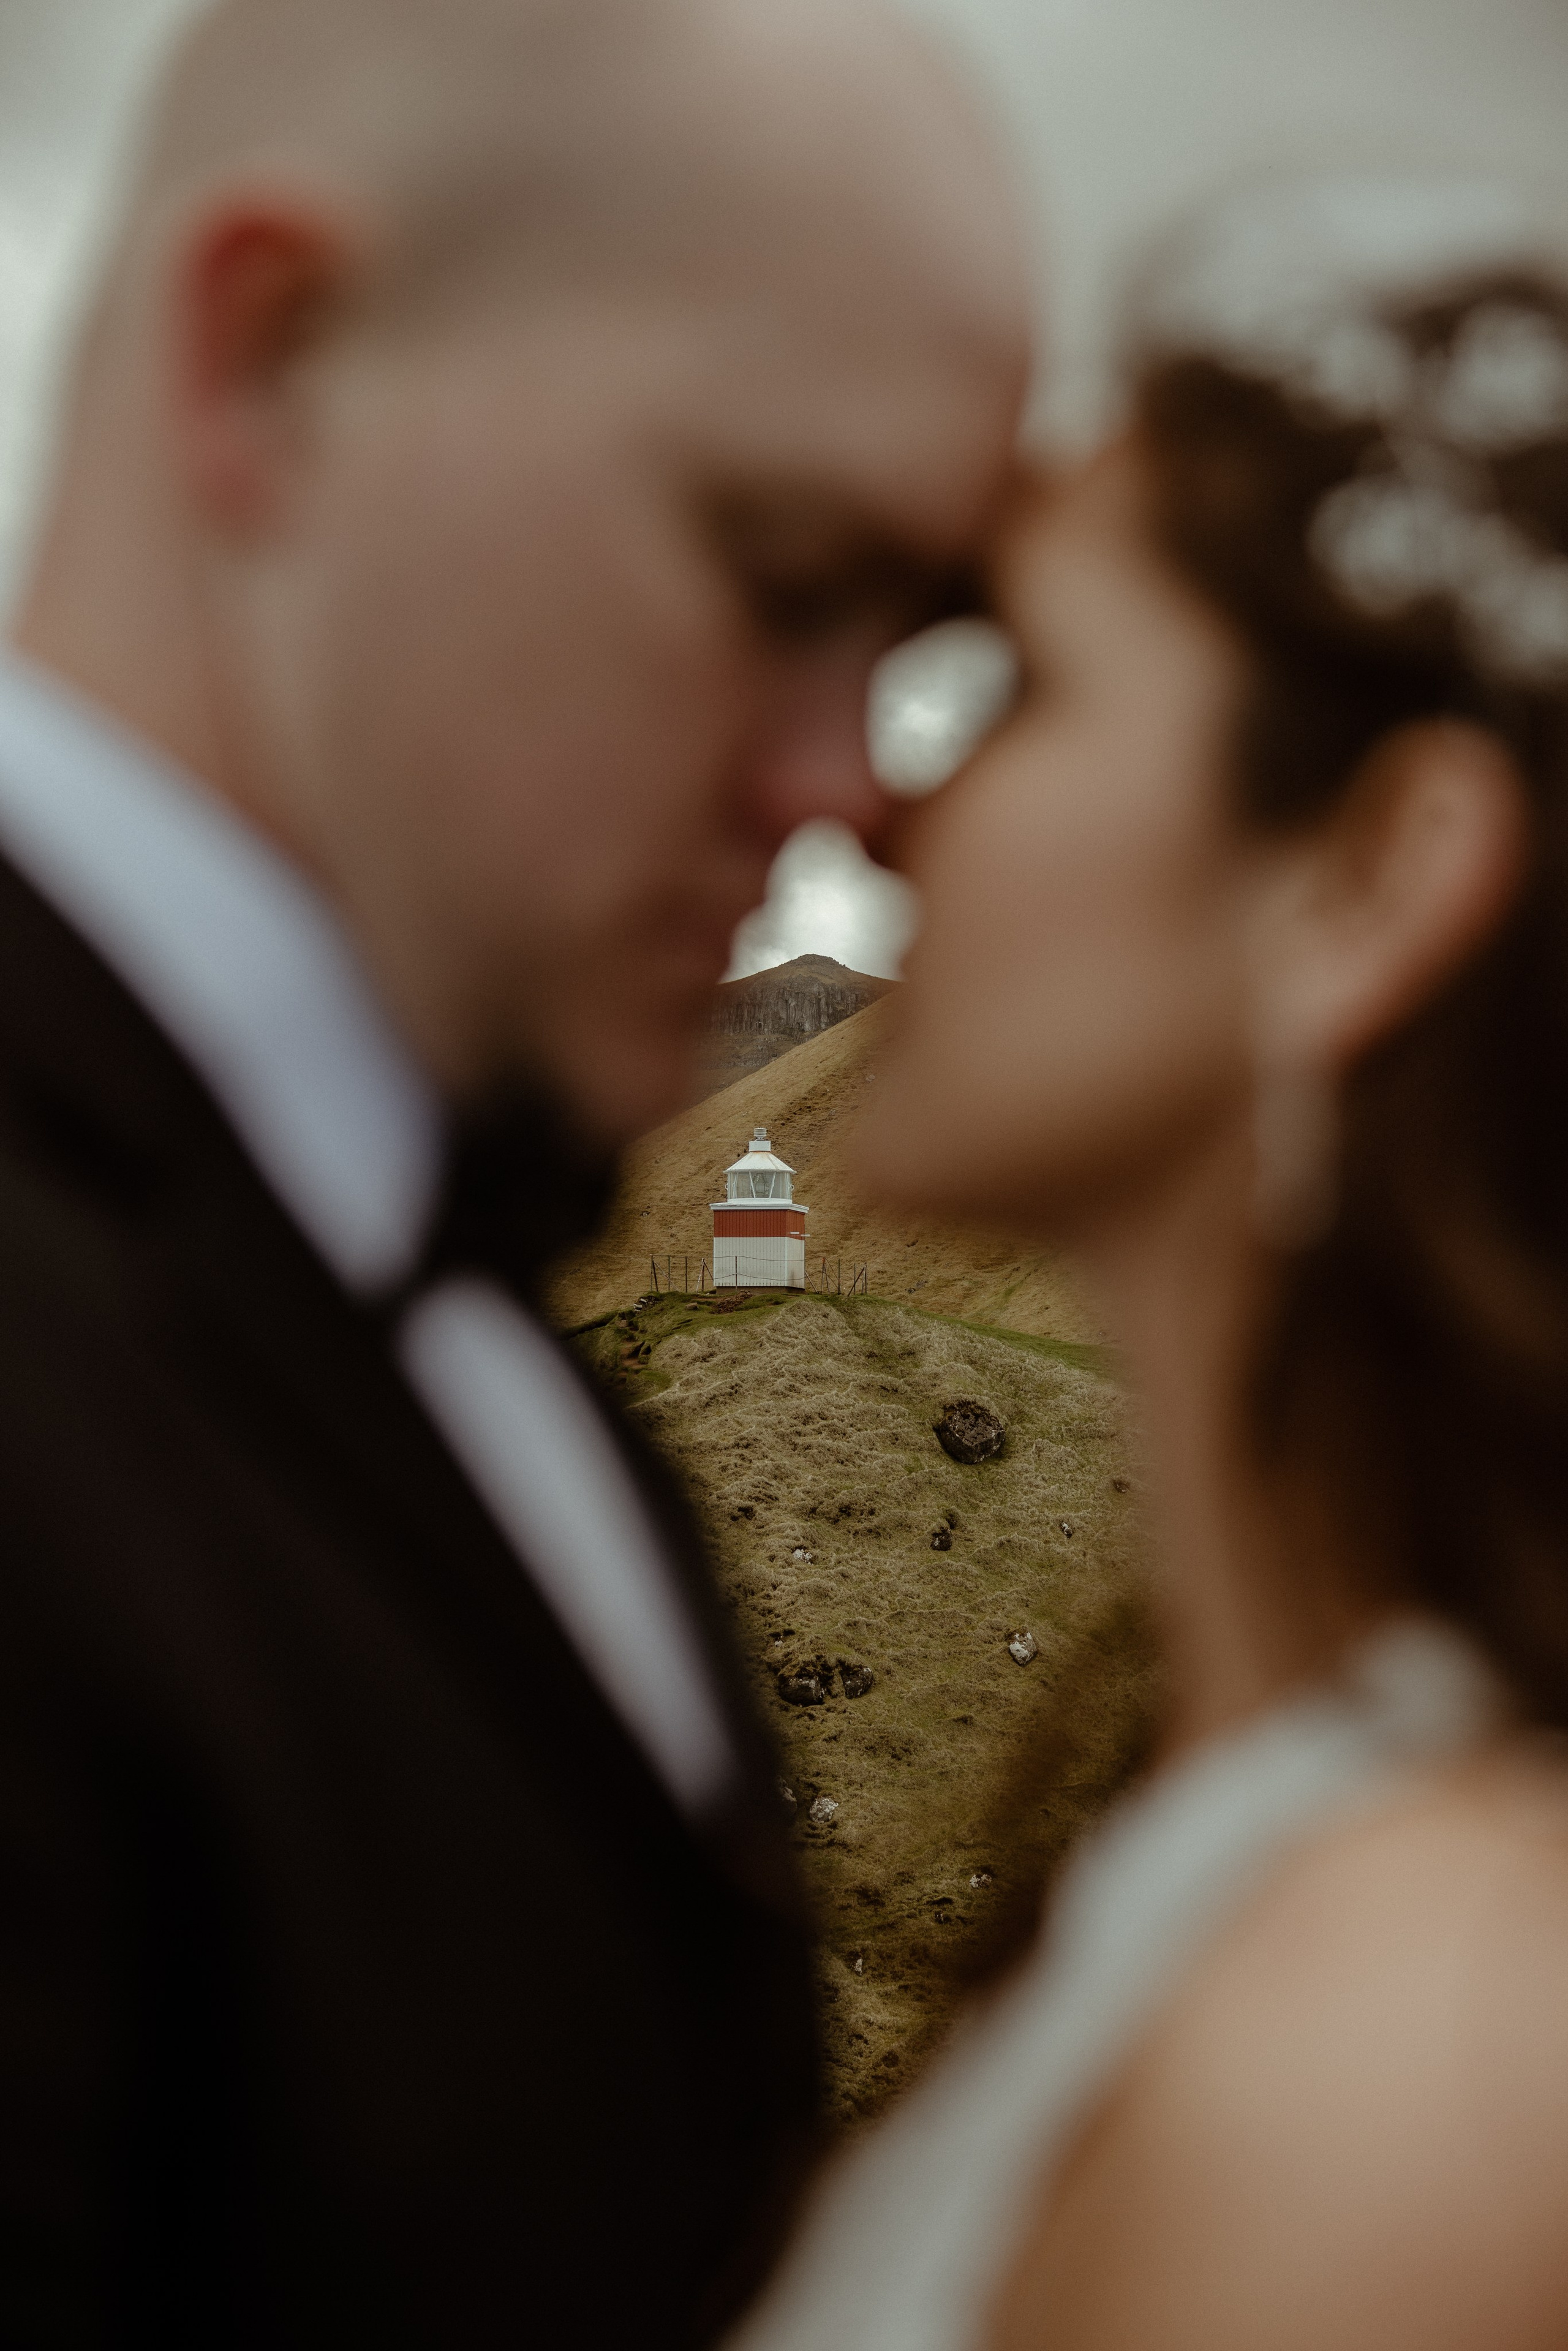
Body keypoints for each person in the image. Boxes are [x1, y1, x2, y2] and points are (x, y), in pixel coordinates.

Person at [0, 0, 1029, 2339]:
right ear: (271, 358)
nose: (859, 785)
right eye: (783, 574)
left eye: (921, 641)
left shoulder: (455, 1287)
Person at [727, 179, 1568, 2351]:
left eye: (1022, 681)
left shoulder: (1398, 2073)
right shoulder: (1277, 1874)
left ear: (1376, 875)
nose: (885, 812)